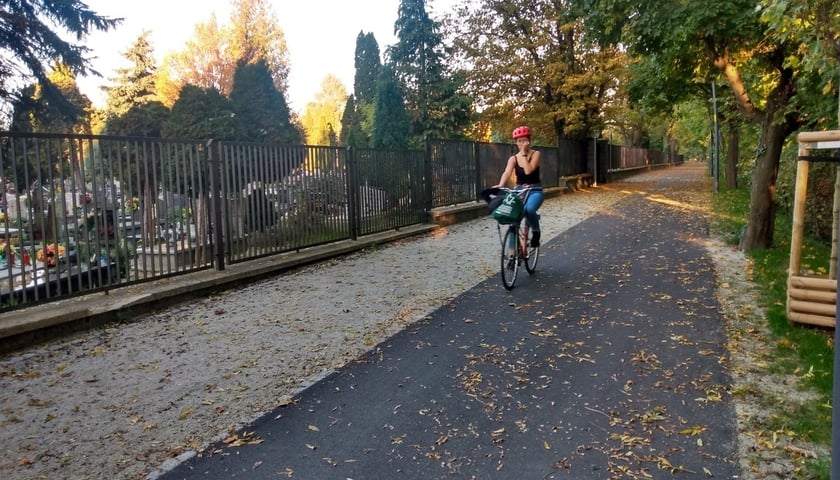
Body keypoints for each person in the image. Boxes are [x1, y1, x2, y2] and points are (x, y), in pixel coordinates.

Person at [493, 125, 544, 246]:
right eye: (519, 141)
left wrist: (524, 154)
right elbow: (506, 172)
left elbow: (528, 170)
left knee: (529, 209)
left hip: (535, 190)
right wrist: (500, 185)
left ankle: (536, 231)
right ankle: (512, 254)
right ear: (516, 142)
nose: (522, 143)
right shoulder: (513, 159)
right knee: (513, 218)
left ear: (529, 141)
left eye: (524, 140)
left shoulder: (536, 154)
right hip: (519, 190)